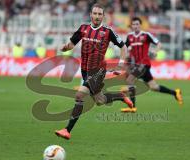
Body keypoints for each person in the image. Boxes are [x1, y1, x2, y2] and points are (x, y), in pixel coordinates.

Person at [55, 3, 133, 140]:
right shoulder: (83, 28)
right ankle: (120, 96)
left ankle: (67, 130)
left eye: (99, 14)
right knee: (99, 100)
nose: (97, 16)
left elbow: (123, 46)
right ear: (90, 15)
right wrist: (65, 48)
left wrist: (120, 64)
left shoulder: (107, 31)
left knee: (79, 96)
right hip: (84, 70)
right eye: (95, 14)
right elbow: (71, 44)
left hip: (98, 70)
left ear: (103, 16)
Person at [121, 17, 183, 113]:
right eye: (134, 24)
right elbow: (125, 48)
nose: (136, 26)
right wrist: (125, 58)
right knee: (154, 87)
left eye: (137, 24)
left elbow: (158, 43)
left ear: (140, 25)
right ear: (131, 26)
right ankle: (175, 92)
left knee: (130, 80)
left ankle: (132, 107)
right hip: (137, 65)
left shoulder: (146, 35)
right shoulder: (129, 37)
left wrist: (155, 50)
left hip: (144, 63)